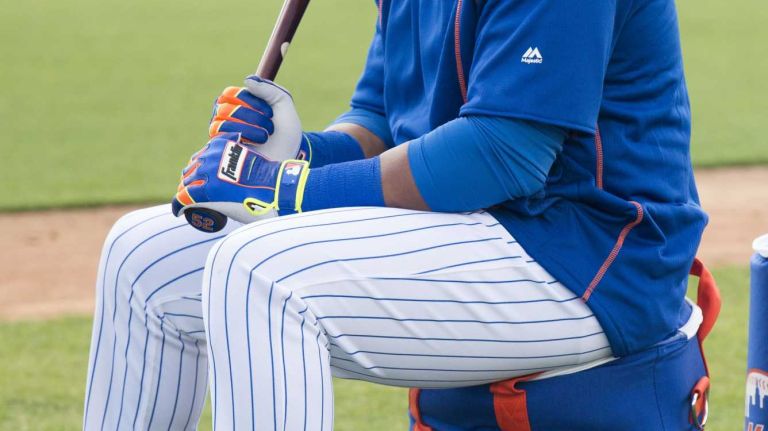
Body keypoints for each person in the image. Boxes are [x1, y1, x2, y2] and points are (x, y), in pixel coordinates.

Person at [83, 0, 709, 429]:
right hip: (486, 232)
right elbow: (382, 119)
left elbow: (504, 155)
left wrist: (283, 190)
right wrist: (294, 151)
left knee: (261, 272)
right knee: (144, 254)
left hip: (589, 257)